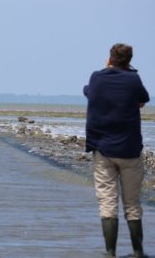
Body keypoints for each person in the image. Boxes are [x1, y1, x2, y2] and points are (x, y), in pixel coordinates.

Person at [84, 43, 150, 258]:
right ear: (129, 60)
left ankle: (110, 253)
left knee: (107, 202)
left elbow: (88, 91)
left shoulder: (96, 78)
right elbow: (142, 100)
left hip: (103, 150)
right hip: (130, 149)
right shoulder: (133, 79)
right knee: (132, 203)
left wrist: (107, 68)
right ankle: (138, 252)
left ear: (109, 58)